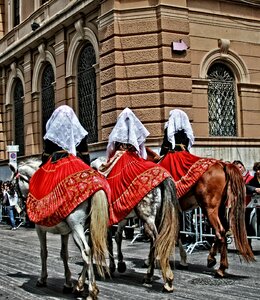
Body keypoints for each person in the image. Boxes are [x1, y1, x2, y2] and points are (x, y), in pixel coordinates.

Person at [26, 105, 109, 227]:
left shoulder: (51, 136)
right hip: (77, 162)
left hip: (56, 163)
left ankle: (47, 214)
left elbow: (46, 156)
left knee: (38, 184)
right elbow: (86, 156)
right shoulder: (81, 134)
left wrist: (42, 168)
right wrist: (87, 171)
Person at [98, 107, 171, 226]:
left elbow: (110, 148)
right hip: (134, 157)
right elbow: (142, 149)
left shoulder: (118, 131)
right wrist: (141, 158)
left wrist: (110, 158)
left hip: (120, 158)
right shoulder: (136, 131)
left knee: (107, 179)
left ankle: (111, 209)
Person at [245, 162, 260, 245]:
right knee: (249, 221)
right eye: (257, 170)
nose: (259, 172)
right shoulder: (253, 180)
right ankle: (248, 243)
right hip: (253, 205)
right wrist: (255, 189)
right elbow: (247, 186)